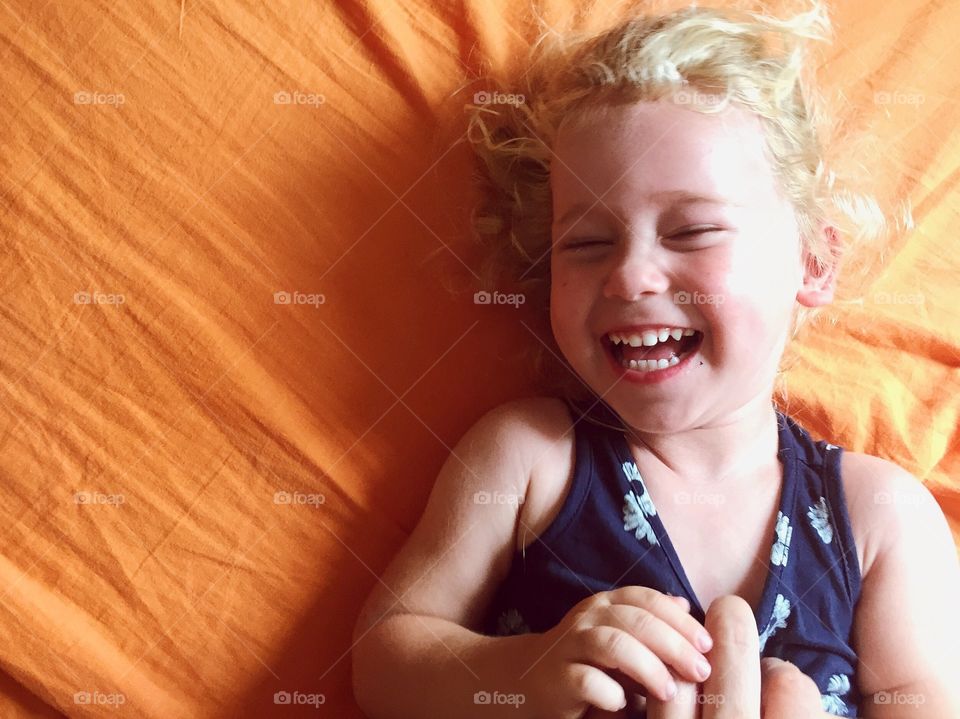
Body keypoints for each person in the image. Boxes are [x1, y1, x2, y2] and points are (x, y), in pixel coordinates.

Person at [351, 2, 960, 717]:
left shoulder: (880, 514)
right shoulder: (530, 456)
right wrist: (519, 674)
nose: (630, 276)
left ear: (813, 259)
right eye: (586, 242)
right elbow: (387, 655)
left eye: (692, 230)